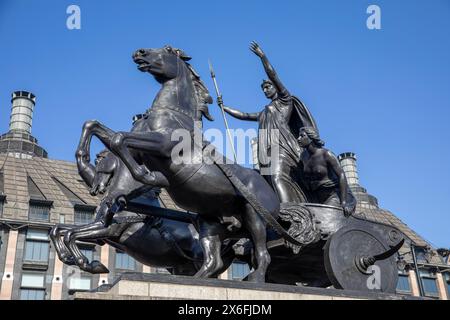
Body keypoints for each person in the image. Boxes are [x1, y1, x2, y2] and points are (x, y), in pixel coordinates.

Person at [217, 41, 317, 203]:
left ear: (276, 88)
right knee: (269, 182)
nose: (265, 90)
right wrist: (224, 107)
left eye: (268, 87)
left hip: (283, 148)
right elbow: (244, 115)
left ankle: (289, 212)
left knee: (277, 177)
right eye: (263, 88)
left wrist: (262, 57)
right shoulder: (264, 112)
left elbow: (273, 75)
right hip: (267, 151)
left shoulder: (285, 101)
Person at [297, 127, 356, 216]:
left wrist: (343, 202)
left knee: (325, 216)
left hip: (334, 195)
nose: (299, 139)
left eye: (302, 136)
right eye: (299, 136)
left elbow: (341, 175)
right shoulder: (303, 156)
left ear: (311, 138)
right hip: (316, 196)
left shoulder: (326, 154)